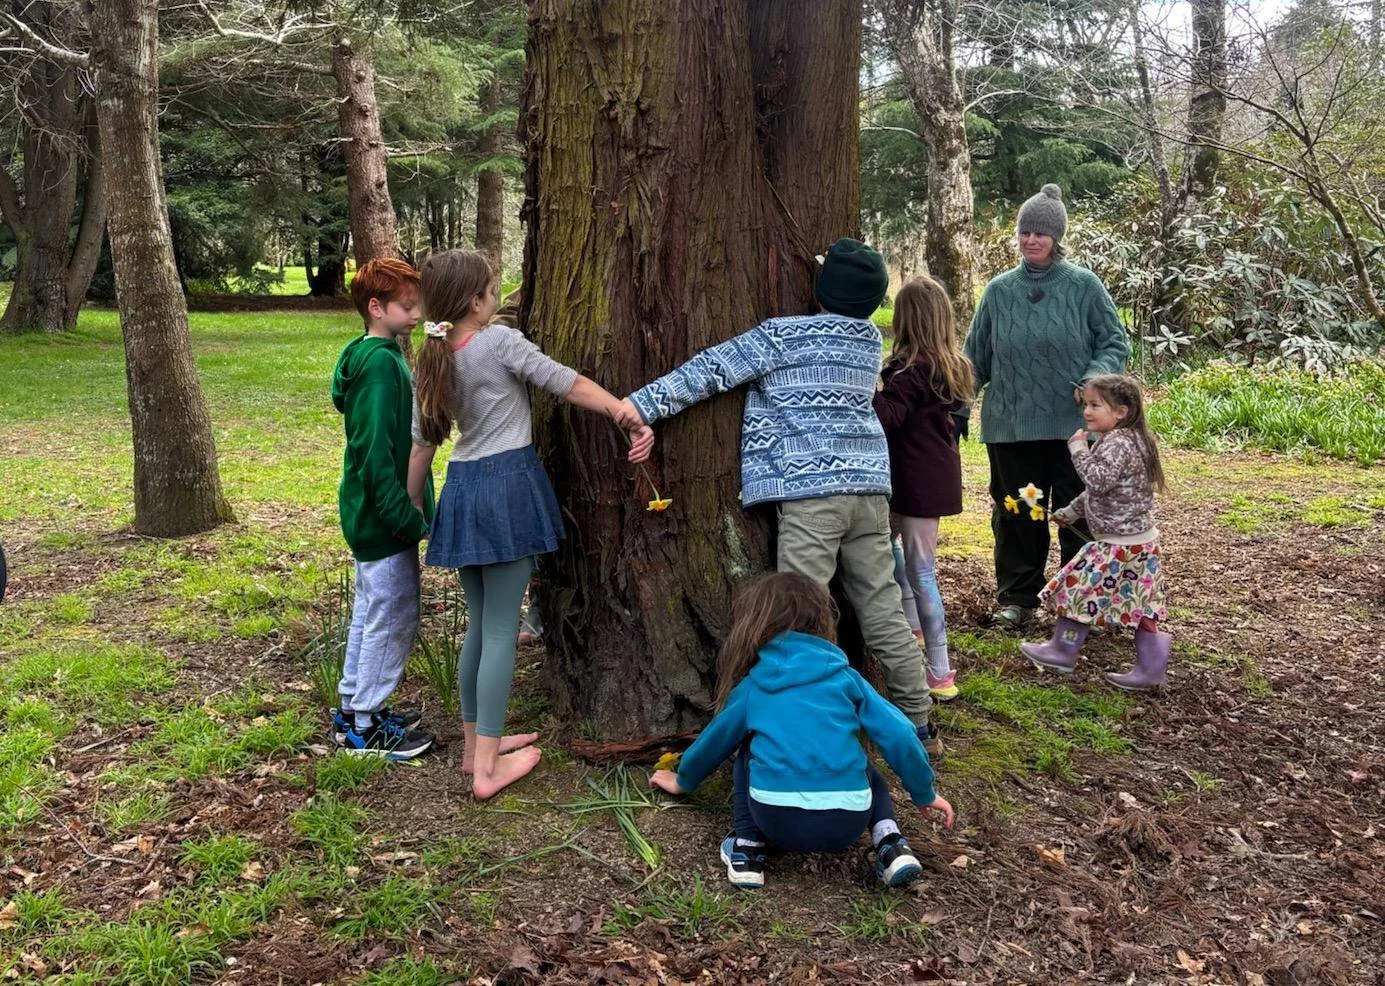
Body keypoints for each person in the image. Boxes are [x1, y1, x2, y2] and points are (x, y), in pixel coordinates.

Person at [616, 238, 941, 755]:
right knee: (880, 607)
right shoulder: (866, 339)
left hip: (813, 493)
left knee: (800, 612)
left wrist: (641, 404)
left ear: (821, 288)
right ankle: (918, 722)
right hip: (869, 492)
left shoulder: (782, 337)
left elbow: (711, 370)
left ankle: (803, 719)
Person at [407, 249, 654, 799]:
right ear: (477, 302)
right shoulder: (496, 343)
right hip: (506, 489)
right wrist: (621, 410)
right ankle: (489, 772)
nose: (497, 298)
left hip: (463, 489)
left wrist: (410, 506)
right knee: (499, 631)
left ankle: (477, 749)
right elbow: (565, 381)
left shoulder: (433, 354)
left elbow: (423, 445)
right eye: (493, 290)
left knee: (479, 626)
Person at [649, 573, 954, 890]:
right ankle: (890, 843)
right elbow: (901, 735)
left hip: (774, 819)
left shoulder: (754, 685)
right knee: (865, 767)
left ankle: (747, 851)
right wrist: (923, 791)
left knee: (746, 753)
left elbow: (716, 739)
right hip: (847, 823)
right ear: (823, 621)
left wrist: (684, 779)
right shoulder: (846, 679)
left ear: (754, 626)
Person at [963, 184, 1130, 630]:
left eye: (1041, 233)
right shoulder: (999, 292)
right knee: (1021, 516)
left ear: (1057, 238)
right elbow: (974, 358)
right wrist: (958, 404)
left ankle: (1079, 602)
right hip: (1014, 430)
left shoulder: (1083, 286)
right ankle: (1016, 600)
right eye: (1025, 232)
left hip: (1074, 430)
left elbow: (1114, 341)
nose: (1031, 240)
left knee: (1079, 518)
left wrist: (1092, 379)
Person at [331, 258, 437, 760]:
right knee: (392, 615)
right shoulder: (378, 365)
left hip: (375, 515)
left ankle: (353, 710)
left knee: (371, 611)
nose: (416, 313)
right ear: (377, 308)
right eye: (407, 306)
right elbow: (375, 453)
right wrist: (405, 519)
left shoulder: (379, 355)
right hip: (382, 516)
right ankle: (365, 729)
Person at [1021, 374, 1170, 691]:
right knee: (1141, 605)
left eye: (1095, 405)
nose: (1087, 412)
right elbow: (1100, 493)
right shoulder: (1130, 439)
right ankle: (1150, 670)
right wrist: (1072, 512)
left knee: (1078, 591)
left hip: (1119, 545)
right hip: (1139, 542)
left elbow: (1098, 481)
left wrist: (1077, 449)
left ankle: (1063, 650)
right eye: (1085, 405)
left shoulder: (1117, 442)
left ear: (1121, 412)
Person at [874, 276, 973, 703]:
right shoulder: (951, 366)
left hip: (912, 483)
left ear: (905, 319)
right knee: (896, 553)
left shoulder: (912, 370)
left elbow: (889, 417)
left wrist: (861, 390)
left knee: (920, 570)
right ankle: (914, 629)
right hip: (929, 481)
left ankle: (939, 669)